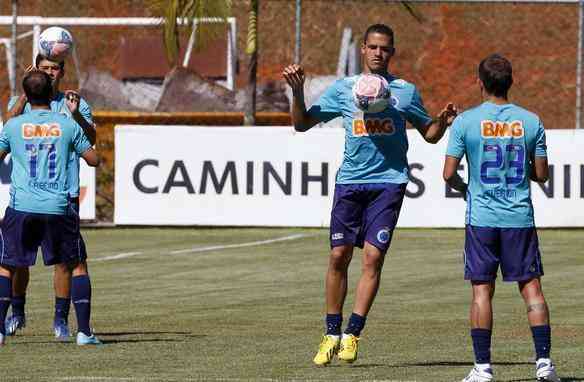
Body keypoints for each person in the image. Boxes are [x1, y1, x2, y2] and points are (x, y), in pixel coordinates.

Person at [283, 23, 457, 366]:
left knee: (373, 259)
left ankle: (352, 334)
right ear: (363, 49)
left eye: (386, 48)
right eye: (373, 47)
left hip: (389, 183)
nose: (379, 53)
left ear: (392, 53)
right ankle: (331, 333)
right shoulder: (344, 89)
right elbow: (302, 124)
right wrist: (297, 92)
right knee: (338, 256)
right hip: (350, 182)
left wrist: (442, 119)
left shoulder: (404, 91)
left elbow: (431, 135)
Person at [443, 54, 560, 382]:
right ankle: (544, 364)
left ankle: (482, 369)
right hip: (518, 217)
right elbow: (541, 174)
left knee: (482, 292)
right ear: (511, 82)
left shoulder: (465, 122)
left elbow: (448, 173)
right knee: (532, 288)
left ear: (479, 82)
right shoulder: (531, 121)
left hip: (481, 218)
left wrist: (467, 189)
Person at [0, 70, 101, 346]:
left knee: (6, 265)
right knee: (76, 264)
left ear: (27, 95)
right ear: (51, 94)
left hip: (22, 206)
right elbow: (93, 159)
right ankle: (83, 332)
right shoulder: (67, 125)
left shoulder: (13, 125)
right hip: (58, 206)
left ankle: (0, 329)